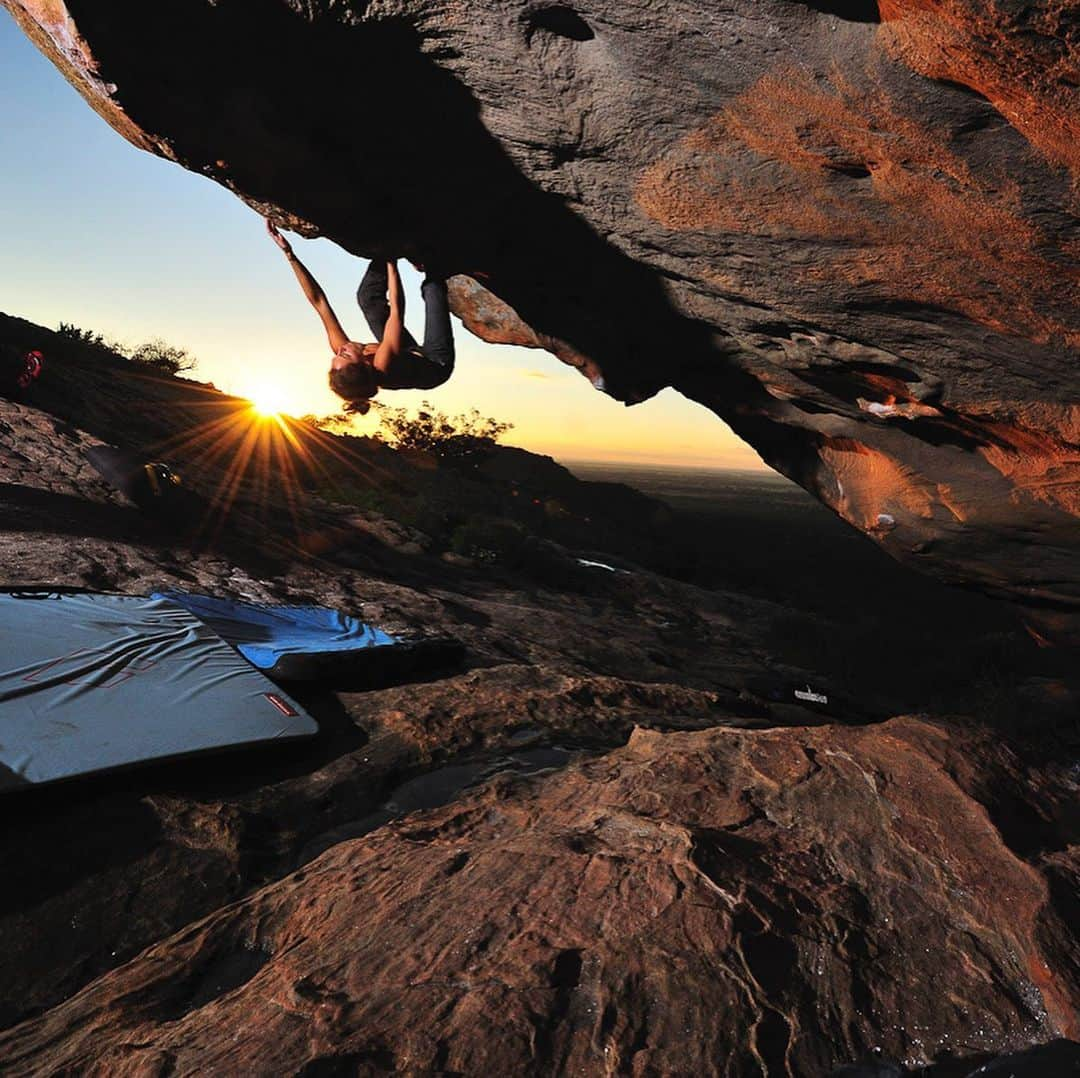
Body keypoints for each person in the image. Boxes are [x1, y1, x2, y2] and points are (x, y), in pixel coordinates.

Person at [266, 219, 455, 414]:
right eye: (346, 355)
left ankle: (393, 244)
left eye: (338, 355)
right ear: (364, 364)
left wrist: (289, 255)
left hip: (405, 352)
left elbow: (319, 302)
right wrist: (391, 261)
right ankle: (427, 256)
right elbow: (397, 312)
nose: (341, 349)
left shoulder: (344, 352)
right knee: (432, 288)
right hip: (435, 362)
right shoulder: (383, 365)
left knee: (367, 297)